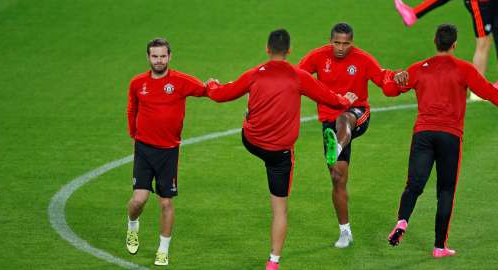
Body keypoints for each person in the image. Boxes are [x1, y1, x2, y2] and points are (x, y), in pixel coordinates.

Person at [205, 29, 358, 270]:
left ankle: (249, 117)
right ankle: (273, 262)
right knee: (280, 209)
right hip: (279, 153)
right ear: (289, 51)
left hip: (252, 141)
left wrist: (212, 85)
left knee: (251, 117)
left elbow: (222, 94)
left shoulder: (254, 74)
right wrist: (346, 100)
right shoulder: (299, 76)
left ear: (267, 50)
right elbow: (329, 98)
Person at [383, 24, 498, 257]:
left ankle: (402, 221)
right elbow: (490, 93)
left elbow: (389, 91)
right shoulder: (464, 69)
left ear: (435, 41)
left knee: (414, 184)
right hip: (450, 137)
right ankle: (439, 247)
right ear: (454, 44)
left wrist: (395, 77)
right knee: (445, 190)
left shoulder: (419, 68)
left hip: (423, 134)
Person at [298, 23, 407, 248]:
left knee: (344, 119)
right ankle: (345, 232)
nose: (340, 48)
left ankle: (335, 147)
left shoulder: (363, 59)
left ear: (352, 42)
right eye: (337, 43)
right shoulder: (318, 57)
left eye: (345, 43)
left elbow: (382, 76)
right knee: (338, 178)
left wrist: (397, 76)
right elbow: (296, 76)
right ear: (330, 41)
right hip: (328, 118)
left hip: (358, 113)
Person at [125, 38, 208, 266]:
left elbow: (204, 90)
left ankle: (163, 249)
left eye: (163, 56)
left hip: (168, 152)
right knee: (138, 201)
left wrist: (215, 86)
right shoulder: (137, 83)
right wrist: (134, 135)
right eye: (155, 56)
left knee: (166, 204)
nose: (159, 60)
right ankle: (132, 226)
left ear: (169, 57)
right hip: (144, 149)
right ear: (148, 57)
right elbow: (132, 109)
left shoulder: (180, 81)